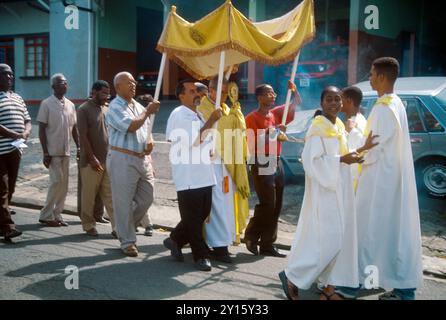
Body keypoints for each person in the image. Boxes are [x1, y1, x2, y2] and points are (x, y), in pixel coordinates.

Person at [278, 86, 377, 300]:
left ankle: (327, 283)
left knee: (338, 240)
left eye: (337, 99)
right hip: (323, 192)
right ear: (322, 103)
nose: (334, 103)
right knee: (330, 240)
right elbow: (311, 162)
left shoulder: (338, 125)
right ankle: (292, 276)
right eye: (329, 99)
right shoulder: (317, 128)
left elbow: (343, 154)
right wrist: (342, 160)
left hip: (339, 190)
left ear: (342, 103)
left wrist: (359, 150)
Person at [338, 57, 423, 300]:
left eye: (373, 74)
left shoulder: (383, 108)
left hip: (377, 183)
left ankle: (355, 283)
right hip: (392, 179)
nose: (370, 78)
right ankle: (404, 289)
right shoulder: (396, 104)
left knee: (366, 232)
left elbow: (371, 149)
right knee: (395, 233)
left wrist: (353, 140)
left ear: (383, 77)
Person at [163, 80, 222, 271]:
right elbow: (193, 141)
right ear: (181, 95)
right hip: (189, 176)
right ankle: (200, 256)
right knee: (194, 219)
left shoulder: (197, 114)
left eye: (197, 90)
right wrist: (212, 121)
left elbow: (204, 139)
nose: (197, 93)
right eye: (191, 91)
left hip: (203, 173)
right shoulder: (179, 114)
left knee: (201, 214)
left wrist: (211, 145)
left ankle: (175, 239)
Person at [105, 72, 160, 257]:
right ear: (118, 86)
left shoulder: (137, 105)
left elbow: (145, 128)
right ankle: (128, 241)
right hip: (122, 158)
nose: (133, 85)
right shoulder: (114, 107)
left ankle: (124, 228)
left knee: (147, 197)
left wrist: (150, 140)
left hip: (141, 158)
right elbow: (130, 126)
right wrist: (148, 111)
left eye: (134, 82)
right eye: (129, 82)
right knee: (123, 202)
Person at [243, 80, 300, 257]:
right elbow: (251, 142)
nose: (273, 95)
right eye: (269, 93)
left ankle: (268, 243)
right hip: (261, 160)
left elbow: (295, 104)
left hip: (277, 159)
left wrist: (294, 91)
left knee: (277, 205)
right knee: (268, 204)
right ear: (260, 98)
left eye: (274, 92)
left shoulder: (275, 114)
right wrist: (274, 131)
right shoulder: (251, 118)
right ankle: (251, 236)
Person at [197, 77, 250, 264]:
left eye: (227, 91)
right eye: (221, 90)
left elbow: (238, 131)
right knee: (215, 204)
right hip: (210, 163)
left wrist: (236, 114)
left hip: (227, 164)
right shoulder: (202, 109)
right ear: (210, 90)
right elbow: (202, 135)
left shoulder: (226, 109)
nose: (224, 95)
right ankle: (218, 246)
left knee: (226, 203)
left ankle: (224, 240)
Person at [37, 73, 79, 227]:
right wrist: (45, 152)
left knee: (64, 185)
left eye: (66, 83)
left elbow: (74, 129)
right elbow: (41, 129)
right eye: (60, 83)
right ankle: (46, 215)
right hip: (52, 152)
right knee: (56, 182)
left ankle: (57, 214)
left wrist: (79, 146)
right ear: (53, 86)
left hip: (66, 151)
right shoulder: (46, 104)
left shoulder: (71, 105)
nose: (64, 85)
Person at [77, 80, 116, 237]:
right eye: (103, 93)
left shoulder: (106, 109)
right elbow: (83, 135)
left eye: (108, 93)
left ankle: (117, 227)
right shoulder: (83, 109)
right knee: (89, 195)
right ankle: (88, 225)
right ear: (94, 91)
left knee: (110, 195)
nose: (106, 96)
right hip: (91, 162)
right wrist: (92, 158)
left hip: (108, 160)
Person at [0, 63, 31, 240]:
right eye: (5, 74)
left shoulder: (18, 98)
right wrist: (14, 134)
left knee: (10, 187)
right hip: (0, 151)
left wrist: (26, 132)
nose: (10, 77)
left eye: (11, 75)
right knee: (2, 189)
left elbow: (27, 119)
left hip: (16, 149)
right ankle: (8, 228)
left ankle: (1, 222)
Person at [134, 94, 156, 237]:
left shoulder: (148, 120)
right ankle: (145, 224)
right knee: (134, 197)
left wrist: (151, 165)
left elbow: (148, 145)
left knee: (144, 196)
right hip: (132, 161)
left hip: (145, 162)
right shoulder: (138, 119)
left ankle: (139, 222)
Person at [341, 86, 367, 189]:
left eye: (340, 98)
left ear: (349, 101)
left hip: (352, 183)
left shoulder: (356, 126)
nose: (338, 102)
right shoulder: (353, 121)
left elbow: (352, 157)